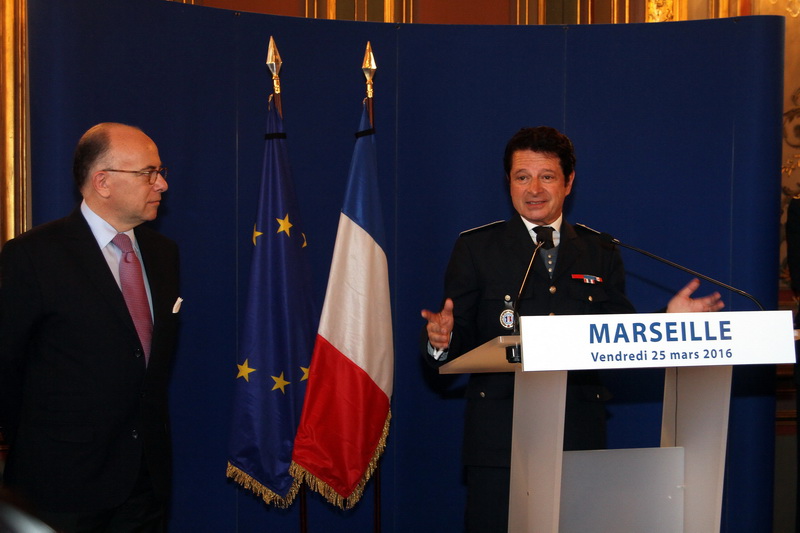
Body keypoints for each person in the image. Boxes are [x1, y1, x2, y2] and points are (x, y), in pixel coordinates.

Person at [420, 126, 724, 533]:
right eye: (521, 177)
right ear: (508, 181)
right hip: (499, 441)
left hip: (577, 435)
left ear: (568, 182)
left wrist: (665, 319)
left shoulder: (599, 250)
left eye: (546, 176)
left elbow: (619, 333)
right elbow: (459, 335)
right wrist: (440, 342)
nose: (533, 189)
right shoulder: (477, 248)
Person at [0, 123, 181, 532]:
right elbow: (6, 368)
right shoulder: (32, 256)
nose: (162, 184)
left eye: (160, 170)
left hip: (145, 484)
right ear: (103, 181)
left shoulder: (163, 254)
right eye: (149, 173)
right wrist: (41, 446)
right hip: (59, 487)